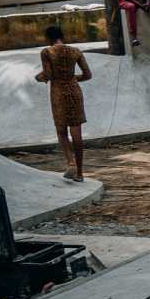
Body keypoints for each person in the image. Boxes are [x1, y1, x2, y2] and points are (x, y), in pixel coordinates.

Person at [34, 25, 91, 182]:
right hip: (75, 92)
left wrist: (39, 77)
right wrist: (72, 79)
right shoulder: (76, 51)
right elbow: (88, 75)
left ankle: (70, 162)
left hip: (58, 92)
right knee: (77, 133)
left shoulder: (47, 52)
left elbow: (48, 74)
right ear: (62, 36)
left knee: (61, 130)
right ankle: (80, 174)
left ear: (48, 38)